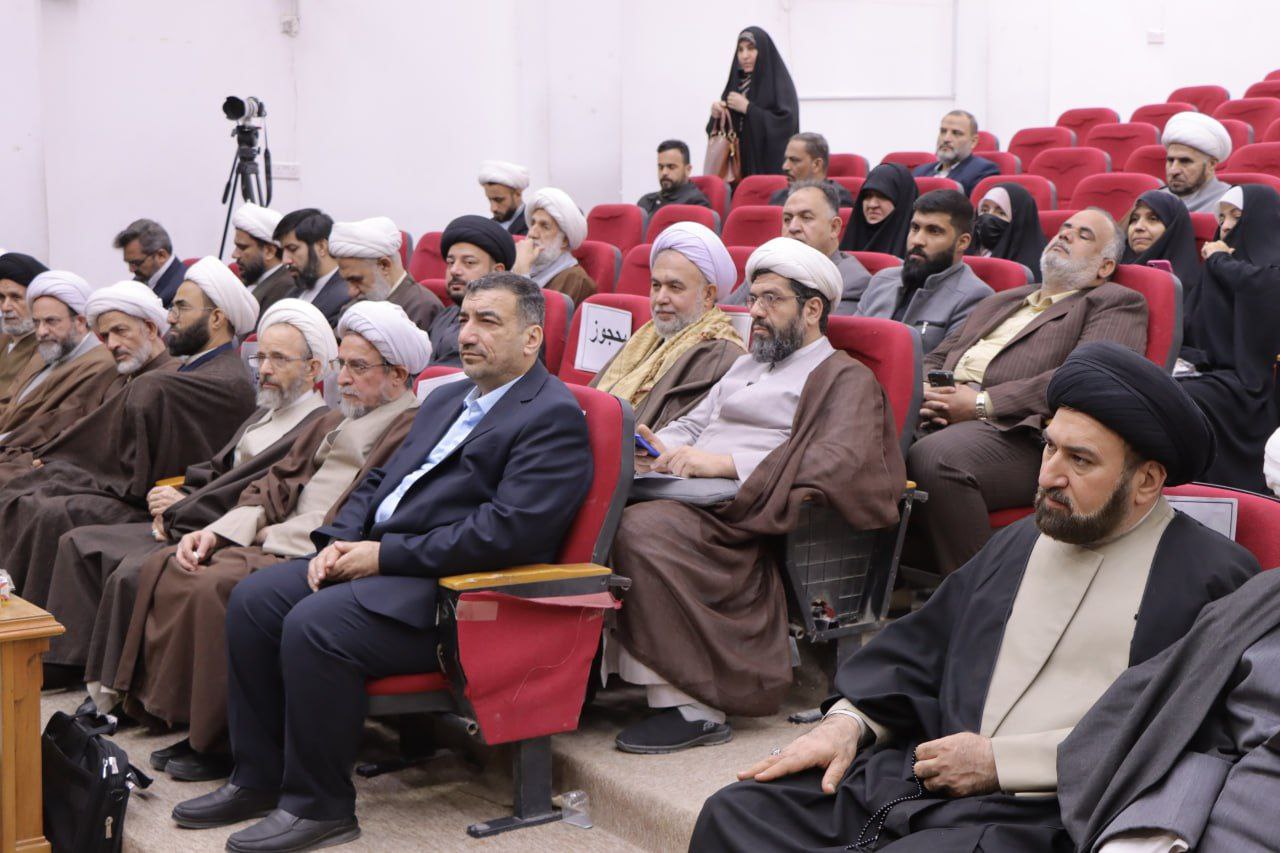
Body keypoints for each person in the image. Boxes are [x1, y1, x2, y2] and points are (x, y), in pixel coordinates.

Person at [693, 341, 1256, 852]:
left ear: (1147, 481)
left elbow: (1184, 736)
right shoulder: (1022, 540)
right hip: (924, 781)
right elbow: (920, 651)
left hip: (1049, 813)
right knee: (737, 814)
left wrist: (1001, 763)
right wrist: (849, 724)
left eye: (1080, 460)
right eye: (1049, 449)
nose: (1049, 476)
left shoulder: (1210, 579)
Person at [170, 273, 592, 852]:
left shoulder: (550, 415)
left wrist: (384, 555)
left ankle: (319, 807)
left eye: (488, 322)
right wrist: (337, 542)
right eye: (465, 319)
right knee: (254, 600)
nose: (467, 334)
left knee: (315, 625)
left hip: (457, 595)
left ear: (532, 338)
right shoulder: (446, 397)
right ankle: (258, 777)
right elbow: (376, 483)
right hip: (389, 563)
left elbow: (506, 533)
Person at [607, 237, 905, 754]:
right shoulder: (748, 364)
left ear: (812, 310)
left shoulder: (843, 377)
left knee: (640, 531)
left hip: (748, 518)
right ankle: (642, 677)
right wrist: (659, 446)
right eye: (753, 299)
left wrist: (727, 464)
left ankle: (694, 708)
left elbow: (842, 462)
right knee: (606, 514)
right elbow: (696, 424)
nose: (756, 312)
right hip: (695, 493)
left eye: (772, 300)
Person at [119, 301, 428, 782]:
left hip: (318, 548)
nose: (343, 378)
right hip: (279, 534)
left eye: (358, 367)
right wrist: (217, 532)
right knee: (179, 566)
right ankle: (190, 721)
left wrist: (270, 537)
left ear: (398, 374)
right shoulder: (338, 418)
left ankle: (223, 742)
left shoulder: (410, 425)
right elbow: (276, 482)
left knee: (216, 588)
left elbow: (366, 510)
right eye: (342, 364)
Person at [43, 299, 335, 697]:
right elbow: (217, 470)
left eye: (278, 359)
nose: (264, 370)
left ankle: (125, 691)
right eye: (261, 357)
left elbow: (256, 494)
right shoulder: (264, 412)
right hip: (195, 511)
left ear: (313, 369)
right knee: (79, 541)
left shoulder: (315, 425)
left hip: (218, 526)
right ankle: (69, 661)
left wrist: (182, 508)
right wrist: (179, 491)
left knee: (132, 570)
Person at [906, 208, 1149, 576]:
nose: (1065, 234)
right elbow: (938, 355)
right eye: (1065, 228)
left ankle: (984, 595)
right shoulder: (1003, 300)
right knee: (870, 440)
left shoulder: (1115, 301)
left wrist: (981, 404)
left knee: (936, 457)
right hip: (942, 410)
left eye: (1083, 235)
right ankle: (872, 583)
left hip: (1022, 433)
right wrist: (926, 389)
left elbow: (1090, 375)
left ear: (1104, 267)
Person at [0, 259, 259, 597]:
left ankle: (35, 622)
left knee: (51, 509)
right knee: (34, 492)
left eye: (181, 308)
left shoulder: (220, 379)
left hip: (166, 499)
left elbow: (186, 457)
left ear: (217, 318)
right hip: (140, 485)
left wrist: (67, 462)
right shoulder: (192, 371)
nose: (171, 318)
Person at [1176, 184, 1280, 493]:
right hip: (1214, 375)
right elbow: (1193, 332)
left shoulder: (1263, 273)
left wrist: (1221, 261)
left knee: (1188, 398)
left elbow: (1264, 288)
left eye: (1236, 216)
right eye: (1222, 217)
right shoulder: (1217, 270)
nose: (1226, 226)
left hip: (1258, 385)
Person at [591, 221, 744, 429]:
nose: (660, 298)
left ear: (708, 295)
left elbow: (663, 434)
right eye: (656, 286)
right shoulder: (647, 336)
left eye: (675, 287)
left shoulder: (717, 353)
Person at [855, 190, 993, 353]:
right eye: (915, 228)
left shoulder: (976, 297)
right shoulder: (882, 280)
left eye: (934, 231)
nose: (917, 240)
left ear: (962, 242)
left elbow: (944, 363)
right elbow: (849, 344)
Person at [0, 271, 115, 449]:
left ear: (80, 322)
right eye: (36, 322)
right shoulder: (45, 354)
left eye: (51, 321)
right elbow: (8, 402)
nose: (41, 332)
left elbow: (54, 428)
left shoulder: (101, 366)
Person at [723, 181, 872, 312]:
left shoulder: (852, 281)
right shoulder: (765, 268)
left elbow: (826, 332)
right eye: (787, 219)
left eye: (806, 218)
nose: (793, 227)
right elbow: (724, 314)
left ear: (834, 227)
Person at [707, 27, 798, 179]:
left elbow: (786, 124)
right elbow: (721, 132)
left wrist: (749, 109)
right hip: (737, 172)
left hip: (769, 171)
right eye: (740, 50)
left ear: (763, 51)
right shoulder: (735, 84)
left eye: (751, 48)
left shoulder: (778, 84)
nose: (745, 56)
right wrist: (717, 115)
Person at [328, 216, 443, 332]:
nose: (351, 292)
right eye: (347, 281)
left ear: (384, 265)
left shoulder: (422, 308)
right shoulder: (354, 307)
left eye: (357, 280)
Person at [428, 215, 516, 367]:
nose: (454, 270)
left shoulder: (505, 329)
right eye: (450, 262)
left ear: (497, 272)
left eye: (469, 262)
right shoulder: (445, 315)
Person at [512, 187, 596, 305]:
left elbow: (529, 316)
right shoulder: (525, 263)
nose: (532, 233)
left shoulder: (576, 280)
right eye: (532, 223)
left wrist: (521, 274)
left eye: (544, 226)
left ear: (564, 241)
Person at [1120, 189, 1203, 300]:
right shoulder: (1110, 271)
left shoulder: (1191, 292)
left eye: (1153, 219)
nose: (1138, 227)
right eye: (1134, 219)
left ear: (1172, 229)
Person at [274, 208, 350, 326]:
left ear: (321, 247)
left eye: (292, 249)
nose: (285, 260)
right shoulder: (293, 293)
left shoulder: (345, 297)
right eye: (283, 251)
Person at [912, 109, 1001, 196]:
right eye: (943, 131)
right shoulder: (920, 171)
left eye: (956, 133)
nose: (946, 139)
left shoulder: (983, 170)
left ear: (973, 141)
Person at [839, 162, 918, 258]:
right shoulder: (850, 242)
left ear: (901, 201)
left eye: (883, 196)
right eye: (867, 196)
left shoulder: (917, 253)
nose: (872, 204)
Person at [1160, 111, 1234, 213]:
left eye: (1185, 161)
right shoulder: (1155, 200)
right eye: (1170, 160)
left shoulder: (1230, 203)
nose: (1173, 170)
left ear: (1211, 164)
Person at [970, 183, 1046, 281]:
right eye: (984, 210)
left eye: (1001, 213)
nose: (988, 217)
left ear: (1019, 220)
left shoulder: (1036, 268)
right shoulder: (965, 250)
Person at [0, 252, 48, 398]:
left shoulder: (47, 347)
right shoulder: (4, 339)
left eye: (15, 297)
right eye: (1, 298)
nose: (5, 307)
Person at [230, 203, 293, 314]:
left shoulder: (283, 288)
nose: (234, 255)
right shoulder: (254, 278)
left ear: (269, 251)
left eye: (242, 247)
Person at [767, 133, 855, 207]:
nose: (785, 166)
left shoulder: (838, 199)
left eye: (794, 160)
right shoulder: (778, 197)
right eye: (786, 159)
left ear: (817, 165)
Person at [113, 218, 184, 306]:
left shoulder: (182, 291)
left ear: (161, 255)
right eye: (129, 263)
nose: (131, 270)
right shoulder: (140, 281)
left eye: (136, 263)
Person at [637, 140, 713, 215]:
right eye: (661, 167)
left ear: (688, 169)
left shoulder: (696, 204)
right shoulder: (646, 201)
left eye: (671, 167)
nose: (664, 172)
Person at [478, 159, 530, 235]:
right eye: (490, 200)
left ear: (518, 193)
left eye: (499, 200)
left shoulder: (532, 226)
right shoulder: (488, 228)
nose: (493, 208)